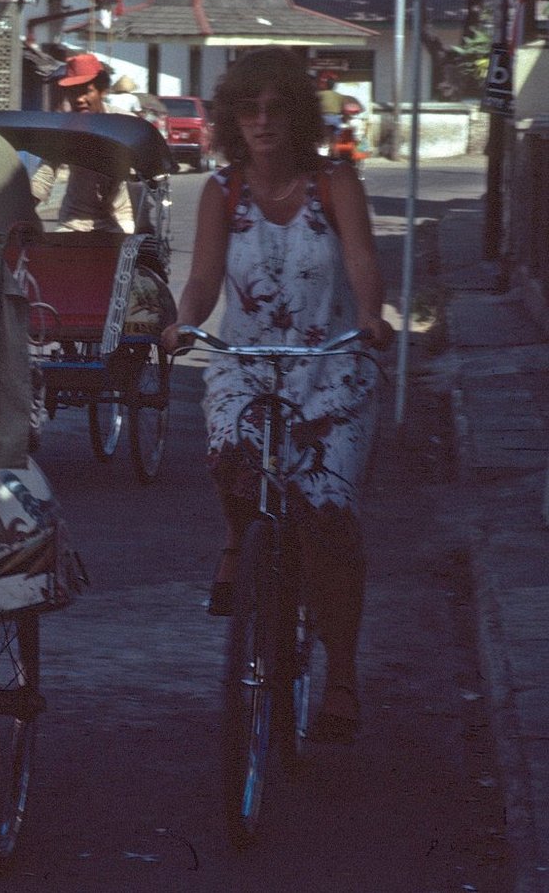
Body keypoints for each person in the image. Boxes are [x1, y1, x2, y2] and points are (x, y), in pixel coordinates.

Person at [160, 46, 394, 744]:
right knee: (230, 454)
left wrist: (373, 315)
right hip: (248, 363)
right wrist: (184, 322)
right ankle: (239, 540)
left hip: (332, 367)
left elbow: (362, 262)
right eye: (248, 110)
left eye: (276, 108)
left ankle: (341, 674)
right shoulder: (222, 191)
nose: (262, 121)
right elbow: (203, 280)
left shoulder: (335, 183)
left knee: (329, 521)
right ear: (233, 120)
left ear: (297, 117)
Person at [33, 53, 137, 234]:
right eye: (73, 92)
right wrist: (21, 211)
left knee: (131, 245)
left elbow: (142, 179)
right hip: (74, 221)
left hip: (120, 218)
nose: (79, 99)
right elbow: (44, 176)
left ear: (102, 91)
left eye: (86, 91)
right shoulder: (64, 129)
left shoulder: (126, 124)